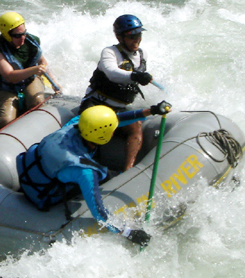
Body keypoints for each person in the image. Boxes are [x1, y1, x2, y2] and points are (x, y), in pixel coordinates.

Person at [17, 103, 171, 247]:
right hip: (45, 195)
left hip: (32, 175)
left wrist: (151, 111)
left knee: (102, 173)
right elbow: (99, 213)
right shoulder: (85, 171)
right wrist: (128, 232)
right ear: (104, 136)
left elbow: (117, 119)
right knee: (105, 176)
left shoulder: (75, 124)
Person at [80, 14, 155, 171]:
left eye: (139, 35)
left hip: (118, 109)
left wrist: (143, 77)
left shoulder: (142, 55)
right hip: (97, 104)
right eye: (132, 36)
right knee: (92, 129)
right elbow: (112, 73)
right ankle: (82, 164)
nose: (136, 39)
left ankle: (128, 170)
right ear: (119, 37)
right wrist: (134, 75)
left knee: (136, 126)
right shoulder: (110, 52)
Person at [0, 11, 59, 136]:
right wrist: (35, 70)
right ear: (7, 35)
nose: (22, 38)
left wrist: (53, 82)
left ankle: (30, 134)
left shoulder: (31, 41)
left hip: (29, 80)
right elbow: (9, 76)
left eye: (24, 33)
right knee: (6, 120)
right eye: (17, 36)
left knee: (37, 102)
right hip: (5, 88)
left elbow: (42, 62)